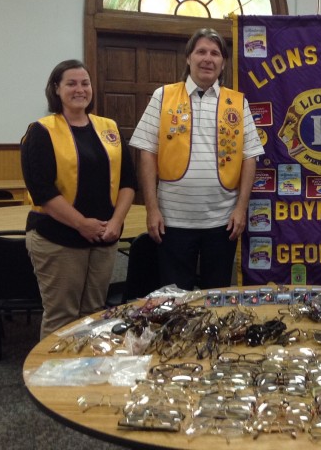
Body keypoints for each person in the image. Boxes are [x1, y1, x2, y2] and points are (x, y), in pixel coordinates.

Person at [129, 28, 264, 291]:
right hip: (173, 221)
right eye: (201, 51)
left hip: (223, 222)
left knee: (217, 295)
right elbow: (147, 152)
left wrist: (241, 209)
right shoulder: (163, 96)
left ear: (223, 62)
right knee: (176, 298)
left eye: (215, 53)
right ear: (188, 58)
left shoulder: (237, 103)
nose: (208, 58)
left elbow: (250, 158)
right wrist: (152, 208)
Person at [21, 59, 137, 339]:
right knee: (62, 317)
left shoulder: (109, 128)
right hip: (57, 239)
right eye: (71, 83)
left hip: (104, 239)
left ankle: (84, 377)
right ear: (56, 89)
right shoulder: (41, 131)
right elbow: (42, 191)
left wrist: (116, 223)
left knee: (94, 314)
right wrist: (81, 224)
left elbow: (128, 182)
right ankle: (51, 381)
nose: (80, 89)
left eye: (85, 83)